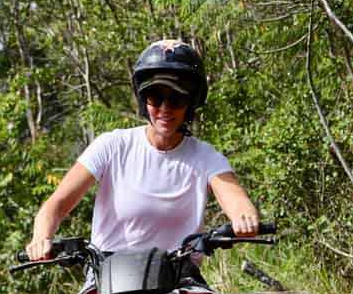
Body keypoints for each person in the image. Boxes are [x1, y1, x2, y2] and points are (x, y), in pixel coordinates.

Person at [26, 39, 259, 278]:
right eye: (155, 97)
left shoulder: (206, 156)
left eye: (176, 99)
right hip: (106, 278)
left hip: (180, 279)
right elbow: (57, 204)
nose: (164, 108)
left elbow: (237, 202)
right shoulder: (112, 146)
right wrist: (41, 238)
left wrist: (244, 219)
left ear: (190, 103)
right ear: (143, 100)